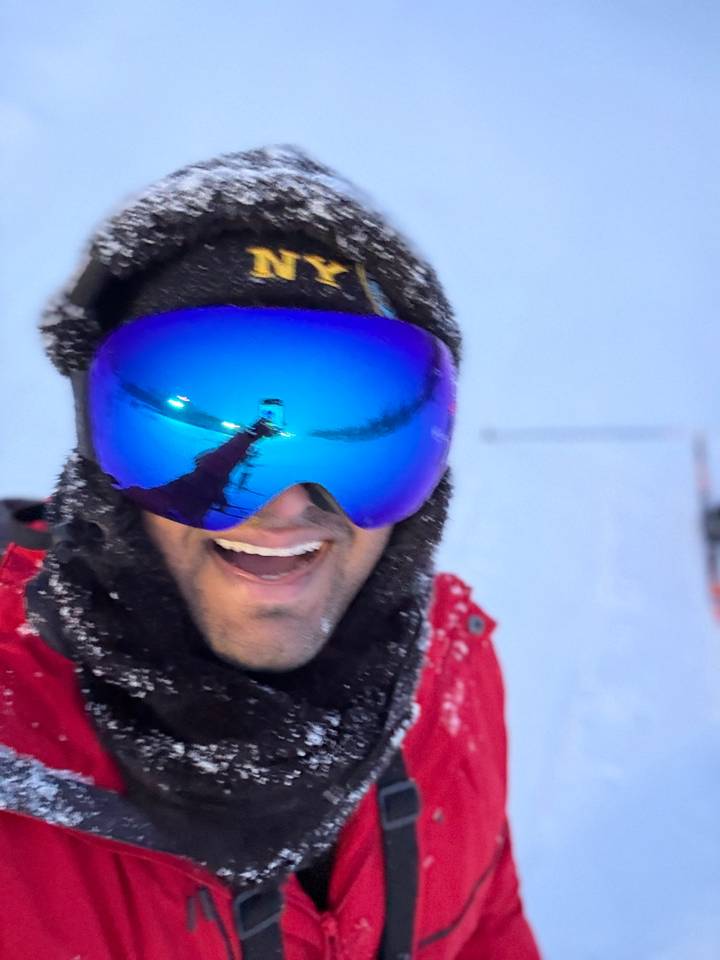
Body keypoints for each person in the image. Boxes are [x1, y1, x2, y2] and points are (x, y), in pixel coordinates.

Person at [0, 146, 541, 959]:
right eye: (187, 425)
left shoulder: (448, 673)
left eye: (359, 438)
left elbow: (487, 929)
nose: (286, 508)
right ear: (97, 458)